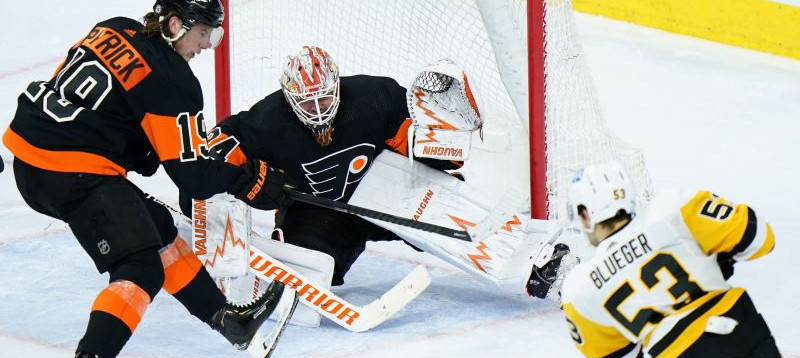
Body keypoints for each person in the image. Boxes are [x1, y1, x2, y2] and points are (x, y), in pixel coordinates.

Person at [1, 0, 291, 358]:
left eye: (215, 35)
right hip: (72, 169)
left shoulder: (114, 28)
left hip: (34, 155)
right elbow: (191, 179)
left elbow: (89, 95)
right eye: (204, 33)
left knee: (158, 231)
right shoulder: (173, 81)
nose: (207, 45)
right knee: (139, 266)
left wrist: (137, 145)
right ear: (175, 25)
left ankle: (228, 319)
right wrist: (249, 181)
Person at [198, 47, 569, 317]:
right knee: (305, 290)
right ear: (288, 97)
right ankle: (277, 270)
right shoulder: (268, 119)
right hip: (320, 211)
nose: (317, 109)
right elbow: (213, 146)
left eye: (324, 97)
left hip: (388, 189)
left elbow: (416, 142)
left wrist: (437, 147)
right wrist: (251, 182)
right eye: (306, 103)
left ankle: (543, 268)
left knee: (454, 222)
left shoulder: (373, 95)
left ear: (336, 84)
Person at [555, 161, 783, 358]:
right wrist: (721, 257)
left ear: (586, 214)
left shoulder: (579, 289)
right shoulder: (673, 207)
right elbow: (761, 238)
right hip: (758, 351)